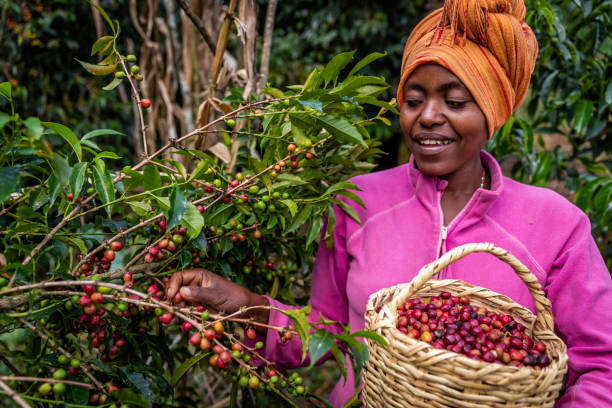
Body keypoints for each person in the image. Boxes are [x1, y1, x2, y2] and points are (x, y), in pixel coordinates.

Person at [167, 0, 612, 406]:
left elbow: (602, 364)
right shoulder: (357, 202)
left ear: (493, 111)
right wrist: (249, 306)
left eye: (455, 101)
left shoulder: (556, 224)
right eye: (413, 100)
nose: (428, 116)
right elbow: (329, 330)